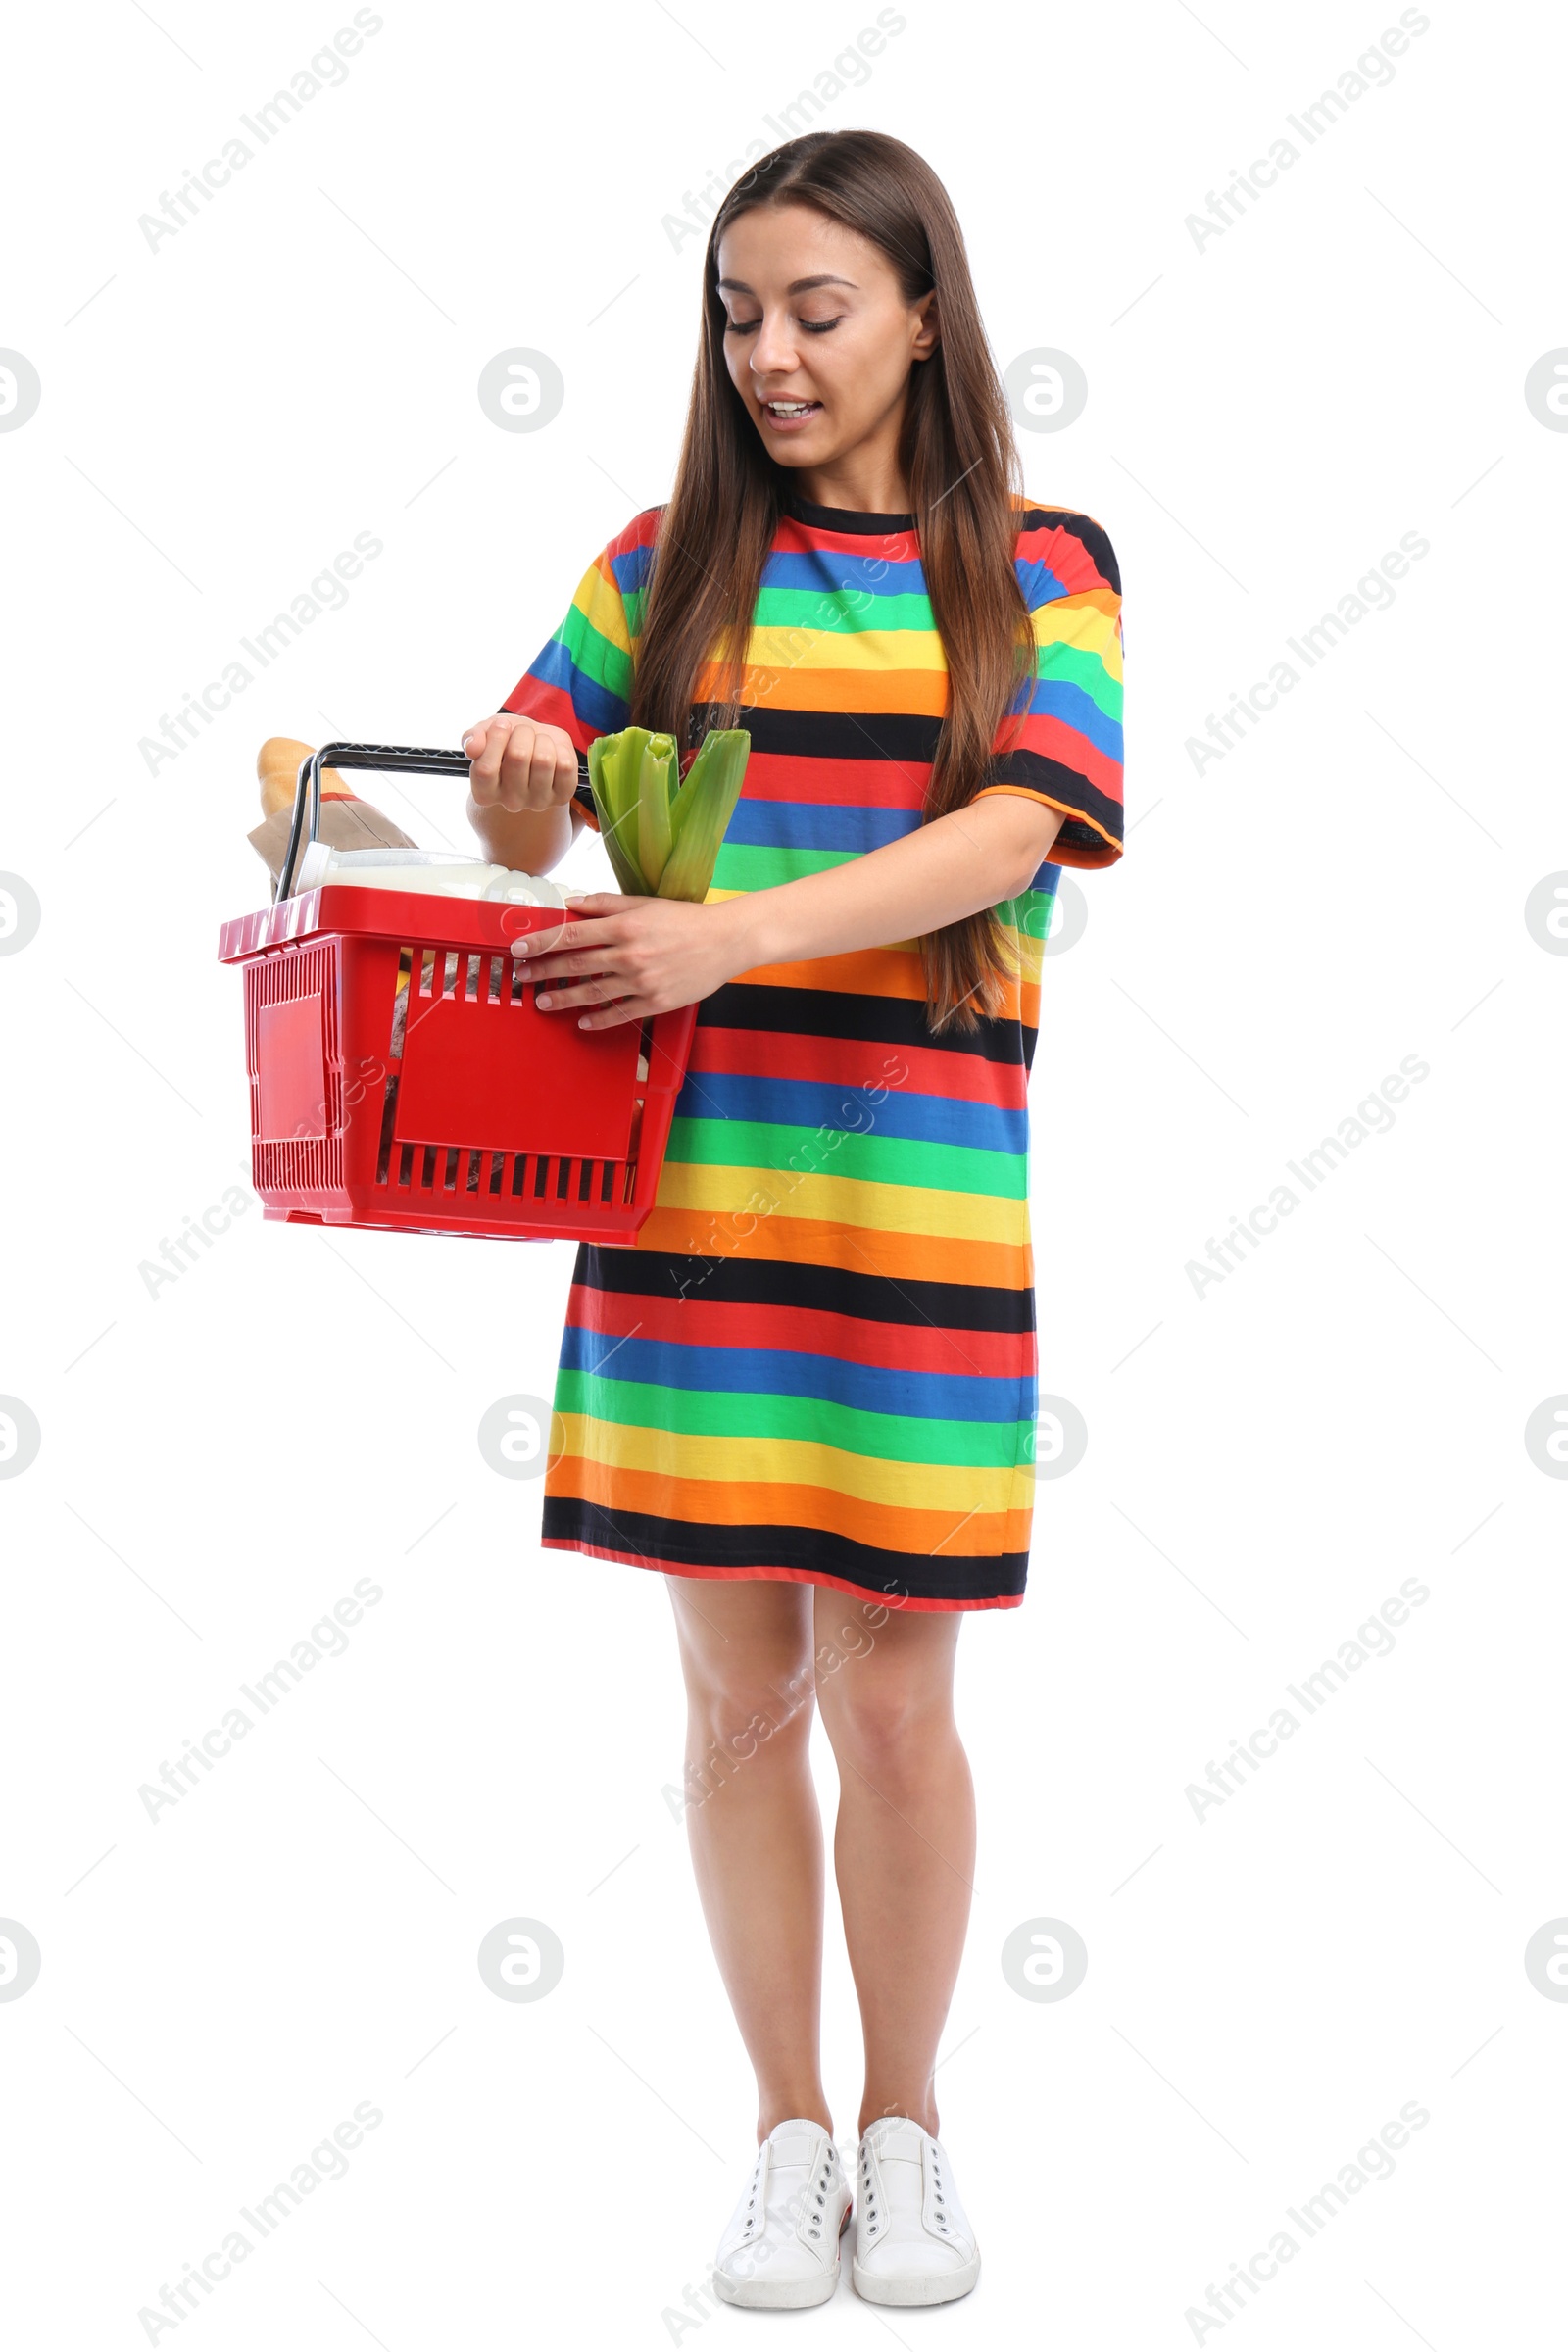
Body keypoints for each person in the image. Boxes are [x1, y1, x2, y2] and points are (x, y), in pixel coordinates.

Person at [462, 128, 1124, 2311]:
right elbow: (513, 772)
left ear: (925, 314)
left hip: (916, 1227)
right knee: (734, 1698)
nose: (767, 353)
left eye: (815, 309)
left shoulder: (1042, 566)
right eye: (736, 313)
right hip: (695, 1215)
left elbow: (1015, 834)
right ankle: (782, 2134)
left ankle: (912, 2123)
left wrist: (720, 939)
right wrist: (515, 783)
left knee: (899, 1705)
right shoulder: (661, 565)